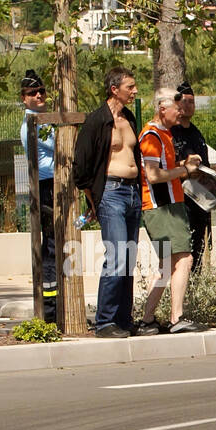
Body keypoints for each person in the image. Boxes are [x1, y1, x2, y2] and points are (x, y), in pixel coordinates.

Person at [73, 66, 143, 339]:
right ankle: (104, 322)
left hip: (133, 193)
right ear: (115, 89)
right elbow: (81, 167)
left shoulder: (129, 118)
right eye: (130, 87)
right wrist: (94, 199)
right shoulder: (96, 121)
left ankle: (123, 320)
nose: (135, 91)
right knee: (116, 257)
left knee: (128, 258)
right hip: (111, 193)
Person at [137, 87, 205, 334]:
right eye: (177, 108)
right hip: (161, 207)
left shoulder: (163, 134)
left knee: (167, 265)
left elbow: (163, 169)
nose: (181, 111)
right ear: (162, 109)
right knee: (184, 259)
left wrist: (182, 165)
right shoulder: (152, 136)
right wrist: (185, 171)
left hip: (168, 205)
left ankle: (147, 319)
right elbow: (154, 176)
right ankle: (176, 318)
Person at [19, 69, 57, 323]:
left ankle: (56, 304)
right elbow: (62, 143)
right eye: (33, 92)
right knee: (52, 244)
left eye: (42, 90)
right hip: (46, 185)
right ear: (24, 98)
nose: (39, 95)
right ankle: (51, 308)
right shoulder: (36, 123)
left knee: (58, 242)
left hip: (55, 184)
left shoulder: (44, 119)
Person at [170, 81, 213, 275]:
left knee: (198, 250)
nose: (188, 106)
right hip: (179, 202)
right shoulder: (171, 133)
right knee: (181, 254)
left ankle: (195, 293)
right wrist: (185, 165)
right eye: (185, 101)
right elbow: (165, 167)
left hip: (200, 201)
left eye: (192, 102)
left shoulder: (196, 133)